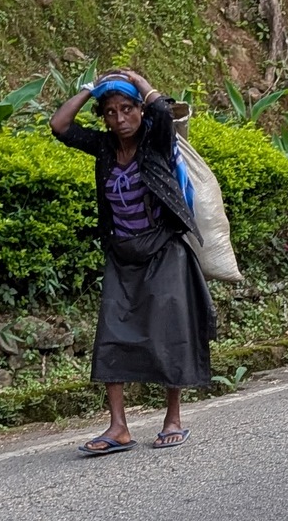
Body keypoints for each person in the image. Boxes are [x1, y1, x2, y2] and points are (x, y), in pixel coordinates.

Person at [50, 70, 217, 454]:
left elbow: (163, 109)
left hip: (163, 250)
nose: (120, 119)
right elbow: (59, 125)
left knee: (169, 332)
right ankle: (118, 428)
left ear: (139, 110)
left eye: (127, 109)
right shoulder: (104, 147)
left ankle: (172, 419)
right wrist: (90, 89)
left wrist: (136, 80)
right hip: (122, 254)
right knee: (112, 334)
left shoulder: (155, 140)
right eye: (110, 112)